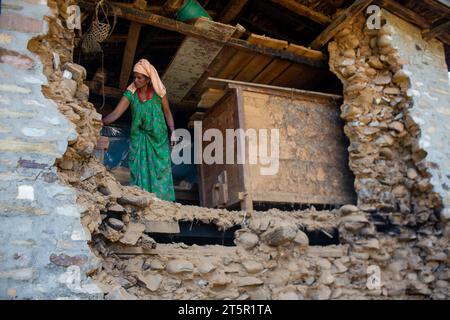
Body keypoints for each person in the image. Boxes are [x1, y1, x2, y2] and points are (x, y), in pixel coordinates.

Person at [102, 59, 176, 202]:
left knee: (161, 170)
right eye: (134, 77)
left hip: (158, 139)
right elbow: (116, 114)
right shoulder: (130, 94)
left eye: (139, 77)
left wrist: (173, 131)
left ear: (148, 79)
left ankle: (162, 203)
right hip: (139, 138)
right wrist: (101, 121)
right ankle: (142, 200)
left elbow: (167, 112)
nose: (136, 80)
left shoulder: (159, 93)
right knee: (138, 169)